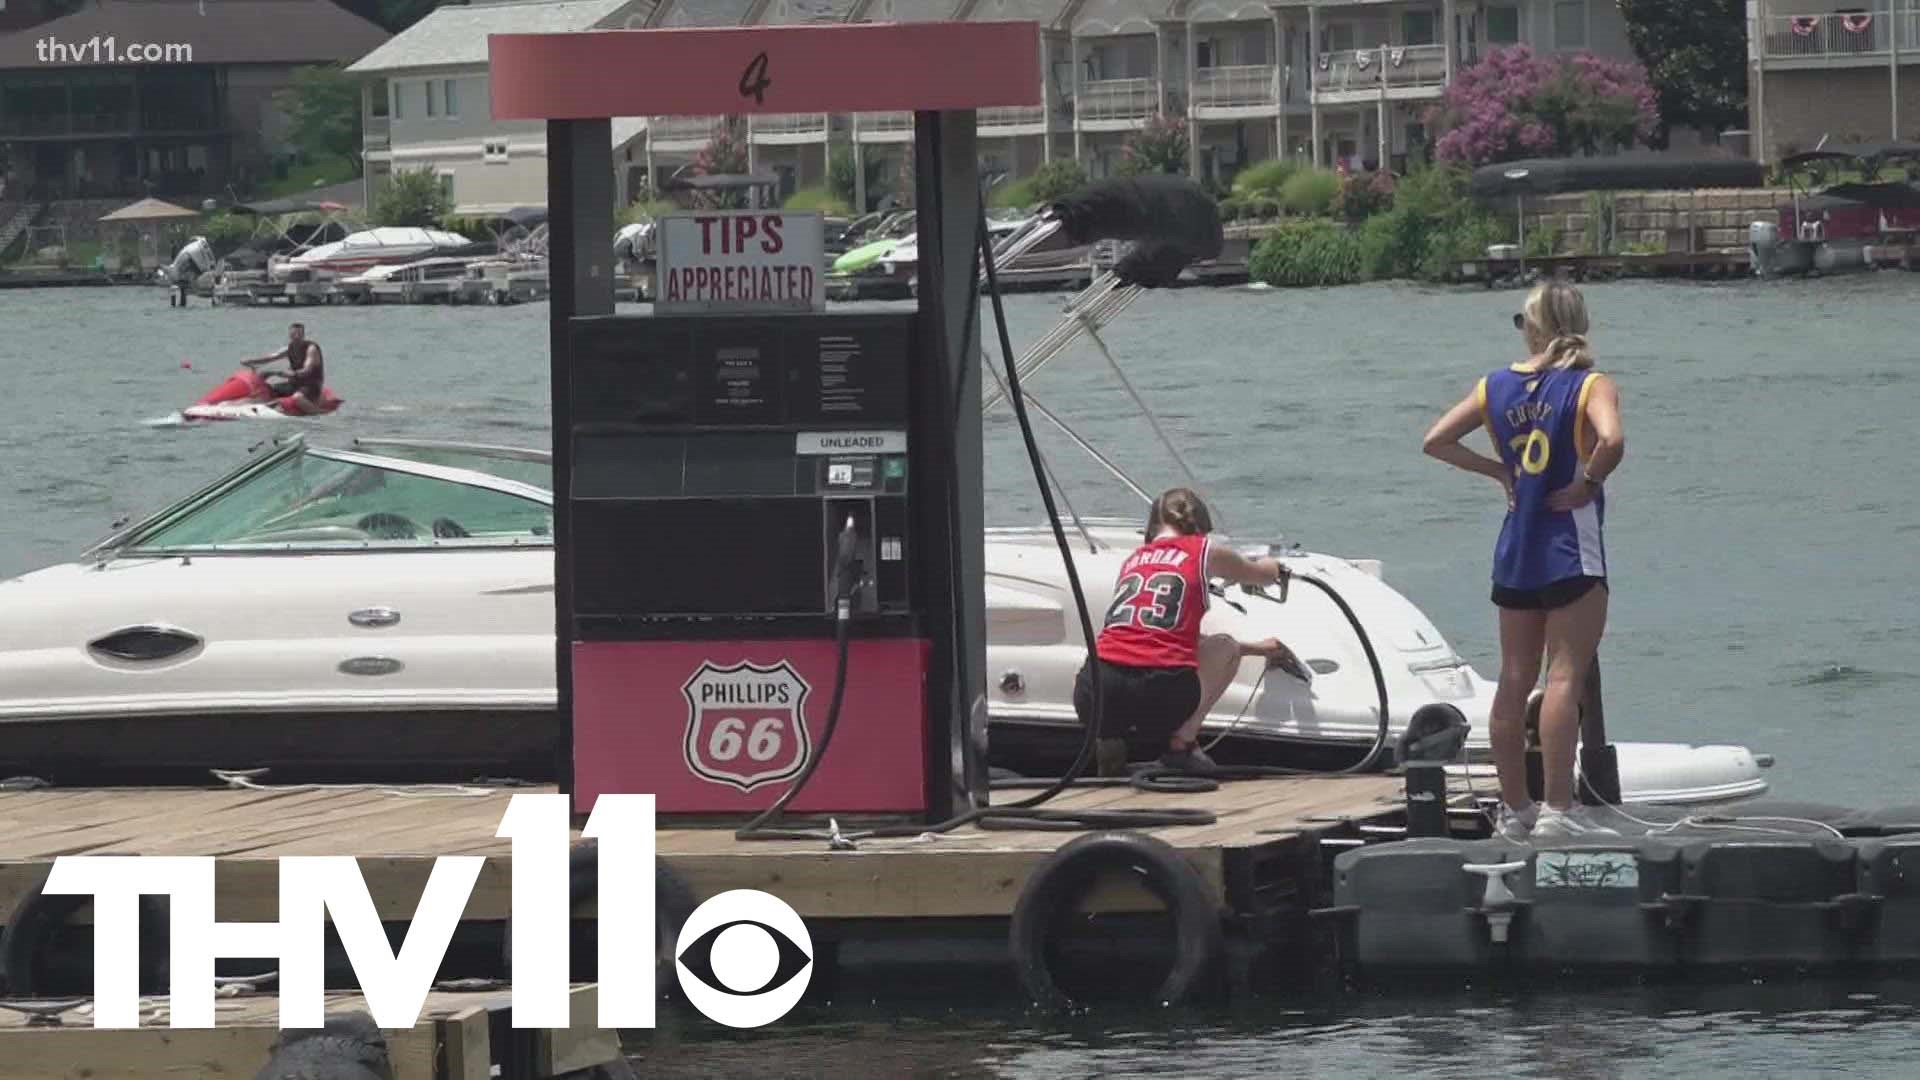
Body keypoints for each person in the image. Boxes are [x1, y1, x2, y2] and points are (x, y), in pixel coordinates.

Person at [1422, 280, 1626, 842]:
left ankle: (1516, 811)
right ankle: (1559, 810)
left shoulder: (1495, 387)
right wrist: (1588, 481)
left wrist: (1498, 470)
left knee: (1513, 680)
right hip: (1569, 548)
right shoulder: (1590, 384)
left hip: (1515, 548)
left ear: (1533, 326)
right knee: (1565, 676)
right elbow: (1612, 440)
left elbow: (1436, 439)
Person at [1075, 487, 1305, 776]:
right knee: (1225, 647)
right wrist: (1275, 568)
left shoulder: (1133, 561)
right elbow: (1259, 574)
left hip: (1095, 691)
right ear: (1199, 526)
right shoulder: (1205, 552)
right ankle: (1181, 745)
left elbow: (1166, 637)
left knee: (1125, 661)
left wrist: (1260, 649)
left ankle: (1108, 739)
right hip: (1158, 694)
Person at [243, 322, 325, 413]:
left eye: (299, 334)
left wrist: (294, 373)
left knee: (297, 398)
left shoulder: (311, 349)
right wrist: (251, 361)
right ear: (290, 335)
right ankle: (256, 406)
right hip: (294, 385)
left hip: (311, 386)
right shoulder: (289, 348)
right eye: (293, 334)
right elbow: (271, 357)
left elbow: (307, 368)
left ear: (303, 335)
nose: (296, 337)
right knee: (267, 389)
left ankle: (320, 412)